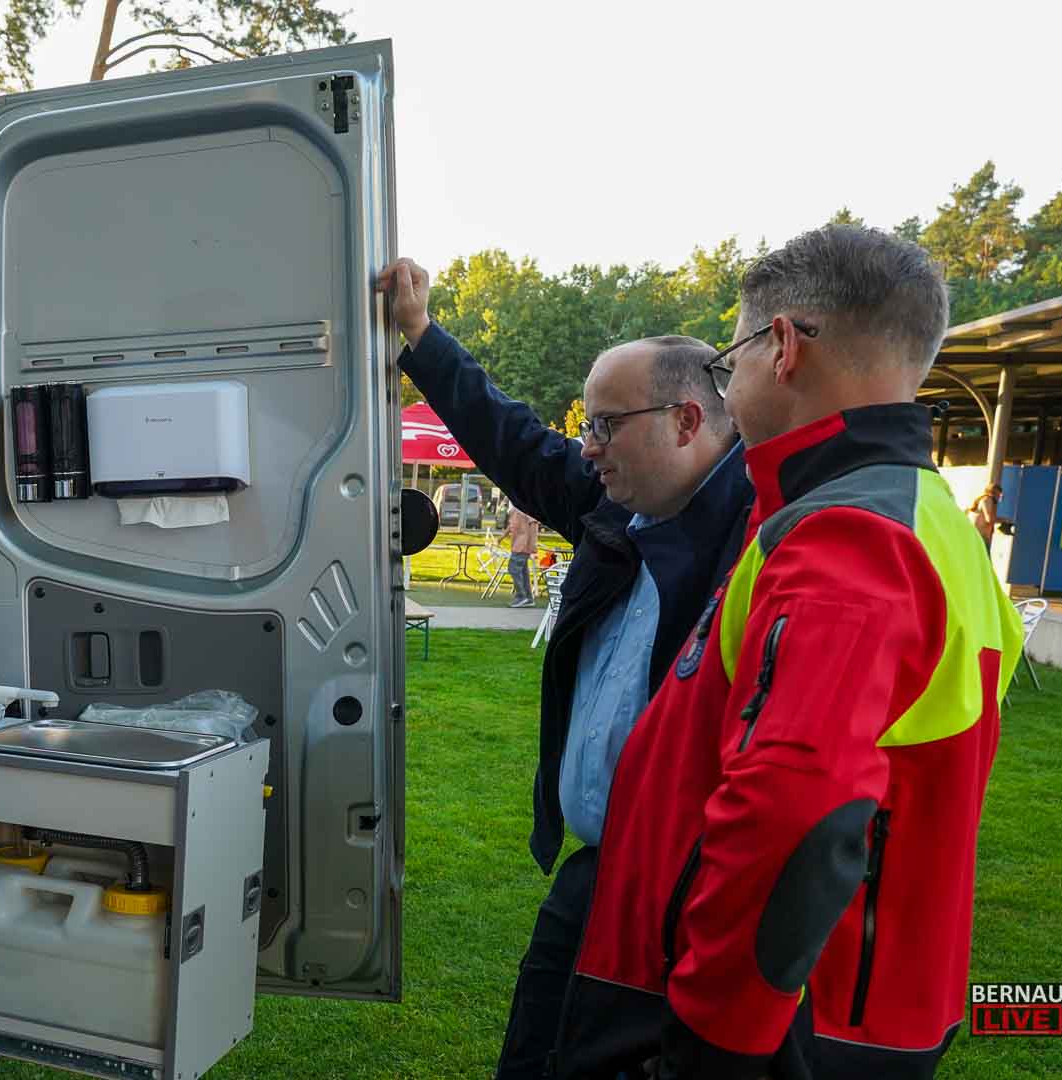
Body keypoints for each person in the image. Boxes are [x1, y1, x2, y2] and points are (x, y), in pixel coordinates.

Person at [556, 224, 1024, 1079]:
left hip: (765, 1028)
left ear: (781, 347)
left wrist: (711, 1047)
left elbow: (796, 806)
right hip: (839, 1011)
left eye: (729, 354)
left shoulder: (846, 534)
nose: (726, 382)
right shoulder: (916, 519)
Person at [377, 258, 753, 1080]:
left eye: (606, 426)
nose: (588, 448)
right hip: (598, 868)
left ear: (688, 419)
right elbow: (515, 443)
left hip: (687, 893)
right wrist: (420, 337)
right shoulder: (621, 501)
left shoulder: (763, 537)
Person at [506, 507, 541, 607]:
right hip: (517, 545)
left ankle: (521, 596)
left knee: (514, 569)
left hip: (523, 545)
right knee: (522, 572)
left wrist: (533, 546)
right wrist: (501, 537)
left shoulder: (526, 507)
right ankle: (528, 598)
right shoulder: (515, 509)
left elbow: (534, 526)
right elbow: (511, 526)